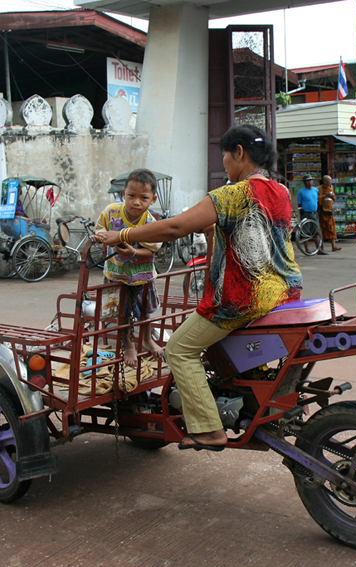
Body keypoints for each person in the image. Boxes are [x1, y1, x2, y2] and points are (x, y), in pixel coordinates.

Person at [95, 125, 302, 451]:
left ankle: (208, 429)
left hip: (243, 298)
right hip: (283, 292)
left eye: (224, 155)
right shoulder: (280, 191)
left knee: (178, 348)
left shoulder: (234, 194)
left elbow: (175, 227)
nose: (223, 163)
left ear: (239, 153)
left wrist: (120, 236)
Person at [94, 169, 164, 369]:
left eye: (143, 198)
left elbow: (151, 251)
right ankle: (128, 345)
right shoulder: (112, 212)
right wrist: (103, 238)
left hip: (142, 276)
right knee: (122, 314)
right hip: (116, 274)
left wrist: (133, 252)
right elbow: (100, 229)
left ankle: (147, 339)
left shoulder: (151, 222)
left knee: (145, 313)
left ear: (153, 199)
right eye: (131, 196)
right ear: (123, 193)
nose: (136, 202)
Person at [317, 175, 341, 254]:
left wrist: (332, 196)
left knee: (332, 228)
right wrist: (325, 196)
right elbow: (317, 198)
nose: (331, 182)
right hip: (321, 212)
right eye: (329, 181)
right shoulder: (319, 189)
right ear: (325, 181)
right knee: (321, 229)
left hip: (329, 211)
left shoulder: (330, 189)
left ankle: (333, 246)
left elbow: (333, 198)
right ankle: (321, 247)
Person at [296, 173, 319, 240]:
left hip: (314, 213)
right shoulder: (301, 192)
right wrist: (302, 213)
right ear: (304, 182)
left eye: (310, 180)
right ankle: (306, 249)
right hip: (306, 213)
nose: (309, 182)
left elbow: (316, 200)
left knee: (316, 231)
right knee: (306, 232)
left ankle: (319, 248)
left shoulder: (315, 190)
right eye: (307, 181)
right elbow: (299, 204)